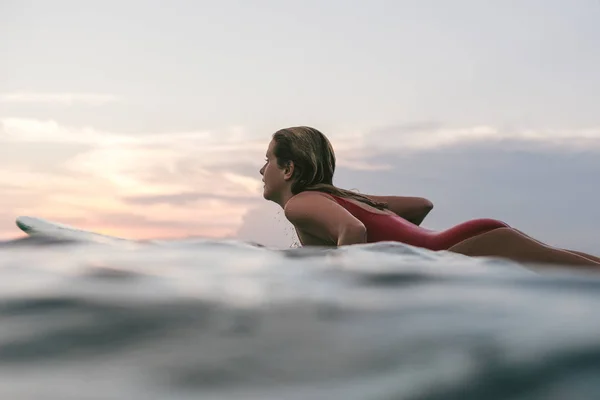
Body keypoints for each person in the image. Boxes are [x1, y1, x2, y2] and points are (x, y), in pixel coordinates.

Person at [259, 126, 600, 268]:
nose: (262, 171)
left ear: (288, 169)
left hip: (468, 245)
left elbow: (354, 232)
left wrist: (354, 294)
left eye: (267, 160)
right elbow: (420, 205)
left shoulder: (300, 203)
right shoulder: (331, 199)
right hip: (474, 238)